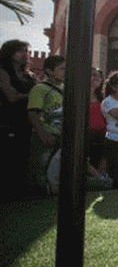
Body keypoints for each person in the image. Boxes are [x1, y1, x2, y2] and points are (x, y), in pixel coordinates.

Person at [0, 40, 37, 199]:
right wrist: (34, 97)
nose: (24, 54)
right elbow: (11, 96)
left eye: (26, 51)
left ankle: (19, 194)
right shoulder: (3, 72)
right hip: (7, 123)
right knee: (7, 160)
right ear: (9, 53)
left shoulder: (30, 76)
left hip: (27, 123)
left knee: (23, 160)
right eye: (20, 50)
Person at [27, 55, 66, 194]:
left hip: (61, 137)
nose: (65, 72)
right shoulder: (41, 88)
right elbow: (32, 113)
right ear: (49, 71)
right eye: (62, 69)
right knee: (41, 172)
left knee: (55, 174)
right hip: (46, 136)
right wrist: (43, 134)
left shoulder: (65, 88)